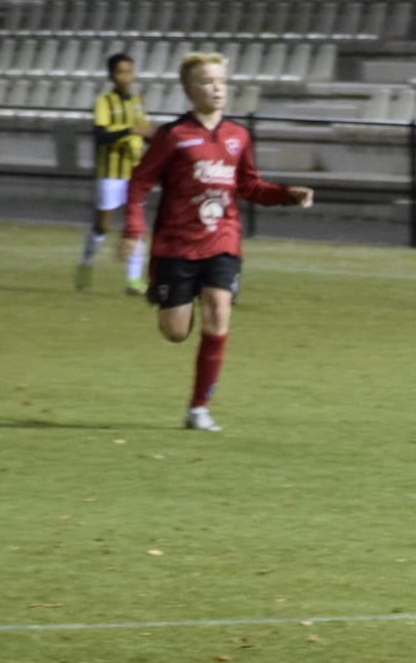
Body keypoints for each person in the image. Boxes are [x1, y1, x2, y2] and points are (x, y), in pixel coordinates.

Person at [121, 52, 313, 433]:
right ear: (190, 90)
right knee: (176, 331)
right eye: (208, 82)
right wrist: (132, 230)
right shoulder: (173, 136)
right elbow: (139, 184)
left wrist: (286, 194)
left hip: (223, 239)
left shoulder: (238, 136)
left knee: (219, 312)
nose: (217, 88)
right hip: (176, 245)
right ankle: (171, 296)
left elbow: (249, 186)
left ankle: (199, 409)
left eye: (221, 81)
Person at [77, 52, 153, 295]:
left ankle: (134, 280)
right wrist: (129, 129)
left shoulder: (138, 101)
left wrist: (153, 137)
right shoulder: (104, 101)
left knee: (136, 227)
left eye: (129, 71)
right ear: (111, 75)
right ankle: (86, 263)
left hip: (134, 173)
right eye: (121, 72)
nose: (126, 76)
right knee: (102, 226)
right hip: (109, 173)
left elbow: (144, 132)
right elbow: (101, 136)